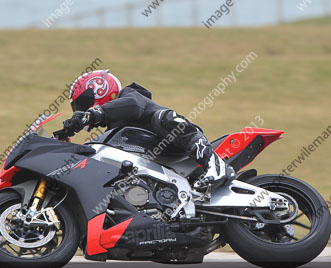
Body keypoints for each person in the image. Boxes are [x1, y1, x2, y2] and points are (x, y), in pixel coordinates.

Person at [59, 69, 234, 190]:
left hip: (178, 146)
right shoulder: (112, 131)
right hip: (162, 167)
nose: (82, 110)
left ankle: (215, 166)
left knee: (164, 118)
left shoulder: (132, 97)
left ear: (100, 89)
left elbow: (133, 106)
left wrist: (93, 114)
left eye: (83, 104)